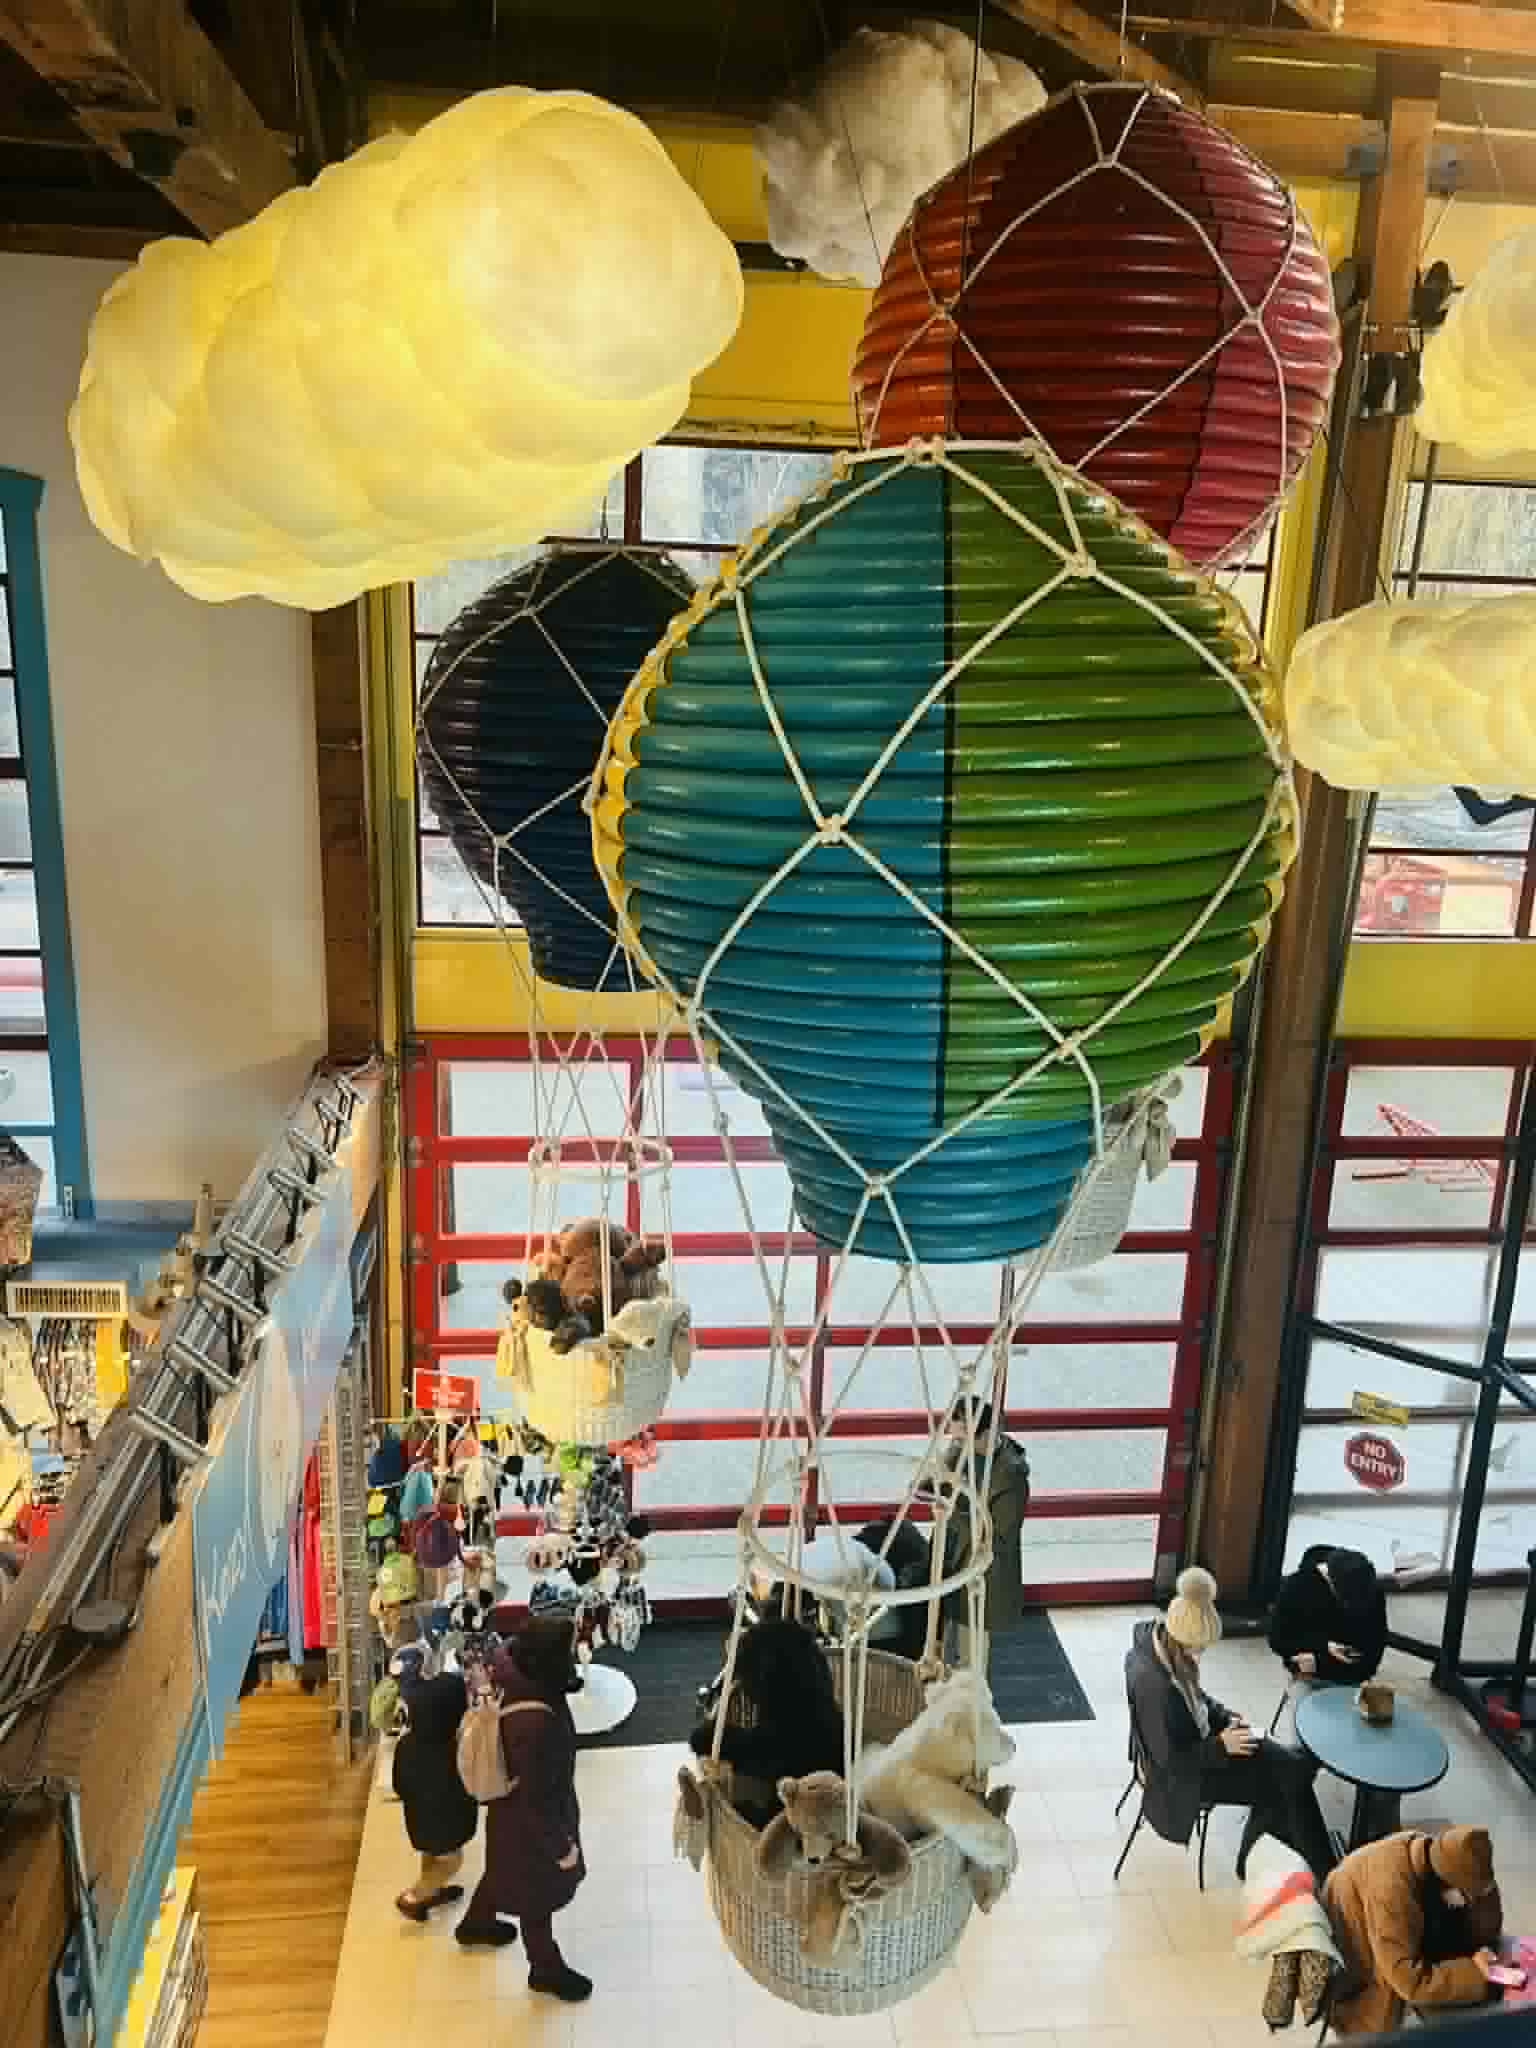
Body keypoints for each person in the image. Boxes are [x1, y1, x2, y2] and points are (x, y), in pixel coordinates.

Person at [1125, 1567, 1338, 1884]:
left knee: (1294, 1769)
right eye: (1197, 1648)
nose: (1200, 1656)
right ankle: (1326, 1871)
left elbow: (1199, 1700)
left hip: (1210, 1745)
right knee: (1286, 1780)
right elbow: (1171, 1762)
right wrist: (1221, 1746)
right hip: (1188, 1777)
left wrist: (1226, 1717)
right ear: (1180, 1638)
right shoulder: (1156, 1688)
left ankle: (1300, 1865)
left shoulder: (1165, 1648)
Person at [455, 1617, 591, 2004]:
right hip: (526, 1822)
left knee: (504, 1868)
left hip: (507, 1813)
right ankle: (545, 1969)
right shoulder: (535, 1725)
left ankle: (476, 1923)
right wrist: (562, 1849)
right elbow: (537, 1802)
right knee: (536, 1895)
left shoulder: (511, 1669)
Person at [1324, 1825, 1504, 2036]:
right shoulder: (1391, 1894)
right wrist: (1478, 1974)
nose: (1468, 1901)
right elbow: (1410, 1981)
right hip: (1355, 1963)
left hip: (1384, 1925)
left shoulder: (1436, 1853)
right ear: (1448, 1887)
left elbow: (1482, 1914)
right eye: (1465, 1896)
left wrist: (1486, 1898)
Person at [937, 1398, 1032, 1673]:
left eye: (962, 1438)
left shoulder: (1011, 1476)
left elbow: (1000, 1536)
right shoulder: (962, 1449)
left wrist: (952, 1512)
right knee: (945, 1638)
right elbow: (940, 1480)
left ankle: (970, 1696)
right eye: (955, 1438)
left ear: (986, 1434)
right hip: (953, 1557)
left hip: (981, 1570)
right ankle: (947, 1690)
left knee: (971, 1651)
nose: (956, 1444)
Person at [391, 1670, 478, 1921]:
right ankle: (414, 1897)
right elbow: (468, 1786)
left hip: (418, 1820)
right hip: (447, 1823)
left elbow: (399, 1785)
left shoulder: (406, 1744)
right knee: (452, 1861)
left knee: (430, 1854)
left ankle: (431, 1890)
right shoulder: (454, 1749)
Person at [1269, 1546, 1388, 1686]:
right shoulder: (1296, 1586)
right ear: (1329, 1580)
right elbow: (1278, 1639)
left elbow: (1374, 1650)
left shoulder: (1370, 1590)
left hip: (1353, 1674)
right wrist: (1323, 1647)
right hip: (1309, 1673)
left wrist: (1325, 1662)